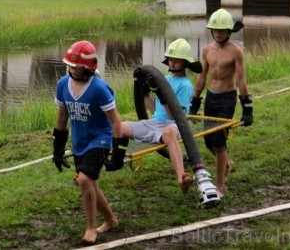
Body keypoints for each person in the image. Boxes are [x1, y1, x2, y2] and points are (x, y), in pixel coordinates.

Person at [52, 40, 125, 245]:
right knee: (90, 182)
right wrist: (58, 147)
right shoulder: (62, 84)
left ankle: (91, 228)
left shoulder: (100, 89)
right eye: (70, 65)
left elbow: (115, 121)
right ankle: (111, 220)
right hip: (79, 142)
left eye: (76, 66)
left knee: (84, 180)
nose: (72, 69)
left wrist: (118, 150)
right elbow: (62, 115)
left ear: (88, 68)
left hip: (100, 139)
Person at [116, 38, 200, 194]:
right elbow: (156, 111)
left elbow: (175, 117)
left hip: (175, 126)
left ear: (185, 63)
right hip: (154, 123)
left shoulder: (186, 85)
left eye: (177, 61)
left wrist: (162, 95)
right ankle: (110, 160)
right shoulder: (165, 79)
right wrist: (145, 94)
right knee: (119, 127)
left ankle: (182, 177)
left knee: (168, 133)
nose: (172, 63)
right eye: (171, 60)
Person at [191, 8, 253, 198]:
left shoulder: (236, 52)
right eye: (214, 30)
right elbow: (202, 77)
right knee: (208, 139)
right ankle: (226, 163)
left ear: (229, 31)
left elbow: (241, 80)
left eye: (221, 30)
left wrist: (247, 108)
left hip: (227, 98)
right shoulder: (207, 49)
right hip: (211, 96)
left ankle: (219, 185)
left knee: (218, 139)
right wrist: (194, 101)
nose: (217, 34)